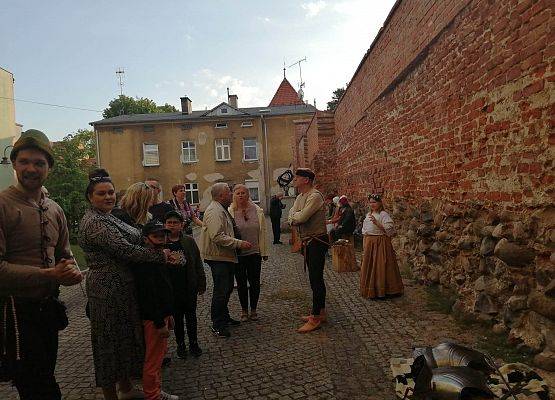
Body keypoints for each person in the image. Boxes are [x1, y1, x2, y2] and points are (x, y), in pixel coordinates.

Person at [0, 129, 83, 399]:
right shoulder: (2, 205)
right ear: (14, 163)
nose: (31, 168)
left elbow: (65, 255)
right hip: (14, 312)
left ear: (49, 168)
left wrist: (71, 271)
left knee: (45, 376)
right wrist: (50, 274)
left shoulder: (55, 209)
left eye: (39, 163)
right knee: (37, 388)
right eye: (24, 161)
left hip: (47, 310)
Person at [79, 169, 171, 400]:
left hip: (123, 285)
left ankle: (126, 389)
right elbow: (125, 249)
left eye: (111, 192)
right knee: (108, 344)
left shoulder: (108, 216)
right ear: (90, 197)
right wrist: (161, 256)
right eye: (101, 194)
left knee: (123, 340)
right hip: (107, 288)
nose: (108, 196)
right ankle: (112, 395)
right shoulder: (94, 222)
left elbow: (135, 238)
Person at [200, 183, 252, 338]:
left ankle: (224, 317)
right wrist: (239, 243)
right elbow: (216, 236)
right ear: (221, 196)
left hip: (224, 256)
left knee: (227, 288)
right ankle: (217, 325)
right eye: (229, 192)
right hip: (218, 257)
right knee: (221, 291)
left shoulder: (220, 208)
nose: (232, 195)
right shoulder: (215, 211)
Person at [133, 221, 178, 400]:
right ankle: (152, 395)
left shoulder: (158, 256)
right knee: (153, 360)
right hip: (153, 319)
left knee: (159, 357)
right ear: (146, 239)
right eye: (156, 236)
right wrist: (160, 322)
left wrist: (169, 315)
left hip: (162, 315)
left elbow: (164, 289)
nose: (161, 239)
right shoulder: (146, 262)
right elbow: (149, 295)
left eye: (162, 235)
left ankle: (156, 391)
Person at [288, 168, 329, 333]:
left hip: (317, 242)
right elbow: (292, 213)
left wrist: (294, 217)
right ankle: (321, 311)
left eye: (297, 178)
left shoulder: (315, 196)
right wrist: (294, 217)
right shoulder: (300, 196)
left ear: (306, 180)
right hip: (308, 242)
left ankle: (315, 317)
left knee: (316, 278)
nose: (294, 181)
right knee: (314, 279)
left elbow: (302, 217)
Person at [163, 211, 206, 359]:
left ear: (181, 225)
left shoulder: (188, 241)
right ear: (165, 225)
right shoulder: (161, 243)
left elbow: (197, 263)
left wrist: (201, 282)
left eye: (175, 223)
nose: (172, 225)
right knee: (177, 318)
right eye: (169, 223)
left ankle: (194, 343)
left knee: (191, 316)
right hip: (171, 288)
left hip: (188, 285)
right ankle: (181, 344)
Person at [228, 184, 269, 322]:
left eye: (243, 193)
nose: (240, 195)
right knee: (241, 283)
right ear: (233, 195)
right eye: (237, 193)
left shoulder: (257, 210)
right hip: (238, 254)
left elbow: (262, 232)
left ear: (248, 194)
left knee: (254, 282)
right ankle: (244, 309)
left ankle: (254, 309)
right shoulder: (230, 211)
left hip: (254, 252)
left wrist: (264, 251)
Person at [360, 194, 404, 299]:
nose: (372, 204)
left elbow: (390, 229)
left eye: (374, 202)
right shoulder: (368, 215)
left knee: (381, 265)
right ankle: (371, 289)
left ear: (379, 203)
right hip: (370, 243)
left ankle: (386, 290)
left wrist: (377, 223)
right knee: (370, 265)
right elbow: (365, 231)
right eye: (370, 202)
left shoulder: (383, 214)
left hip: (381, 243)